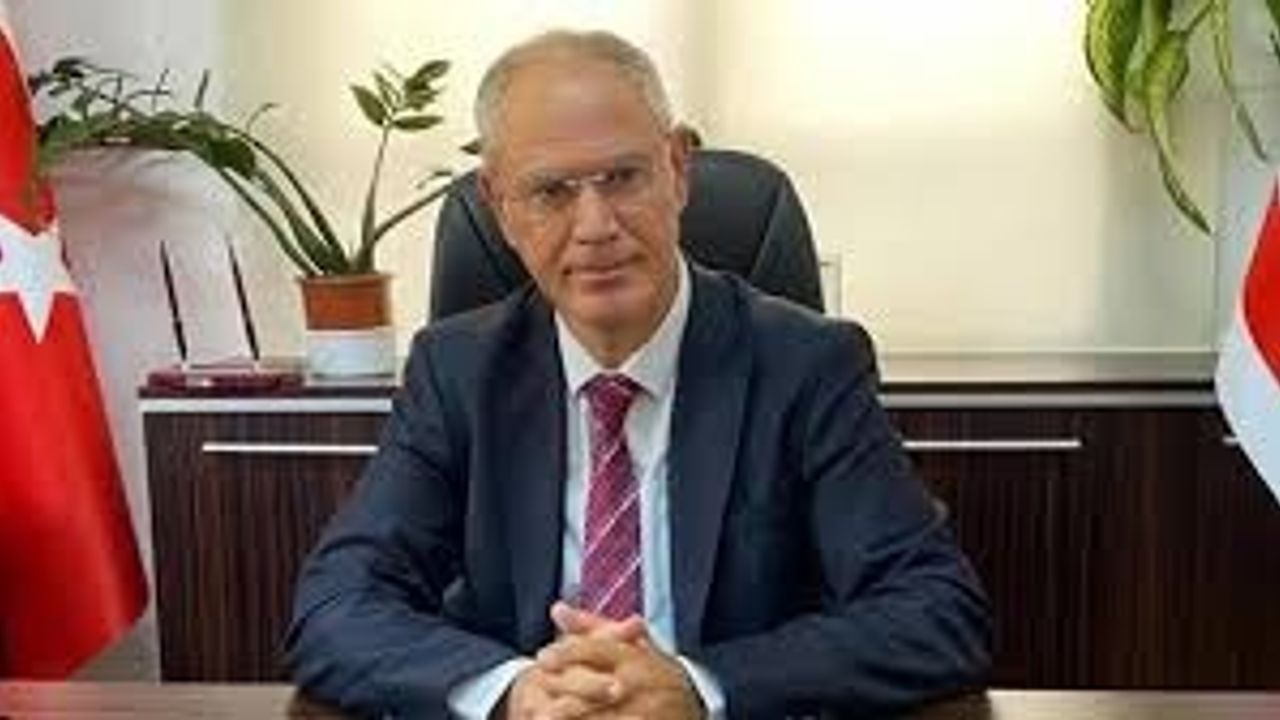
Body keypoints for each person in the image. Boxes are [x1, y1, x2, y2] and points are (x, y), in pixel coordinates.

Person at [286, 29, 990, 719]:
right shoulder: (458, 373)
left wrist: (698, 687)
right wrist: (512, 690)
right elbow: (336, 605)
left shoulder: (806, 365)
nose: (595, 226)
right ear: (500, 207)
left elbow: (934, 611)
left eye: (623, 177)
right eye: (551, 191)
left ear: (678, 170)